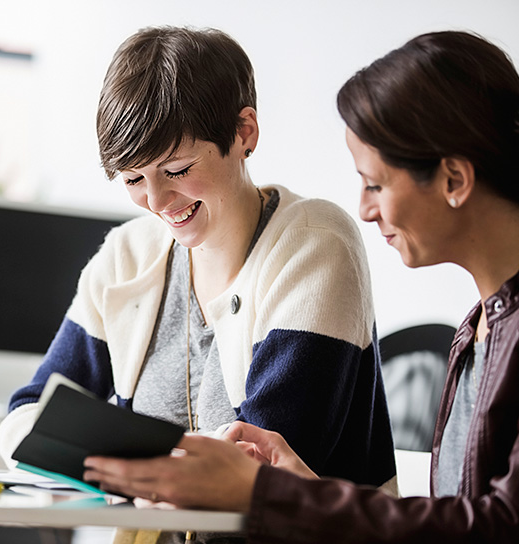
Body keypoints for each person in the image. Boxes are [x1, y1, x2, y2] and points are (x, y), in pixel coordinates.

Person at [84, 30, 519, 542]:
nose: (365, 209)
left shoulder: (314, 242)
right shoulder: (480, 328)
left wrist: (266, 493)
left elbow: (500, 526)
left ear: (453, 180)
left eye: (375, 183)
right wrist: (303, 492)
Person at [0, 26, 397, 543]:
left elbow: (259, 469)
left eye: (178, 169)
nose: (159, 202)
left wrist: (119, 464)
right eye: (134, 179)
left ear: (244, 132)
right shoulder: (126, 258)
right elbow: (29, 413)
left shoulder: (315, 244)